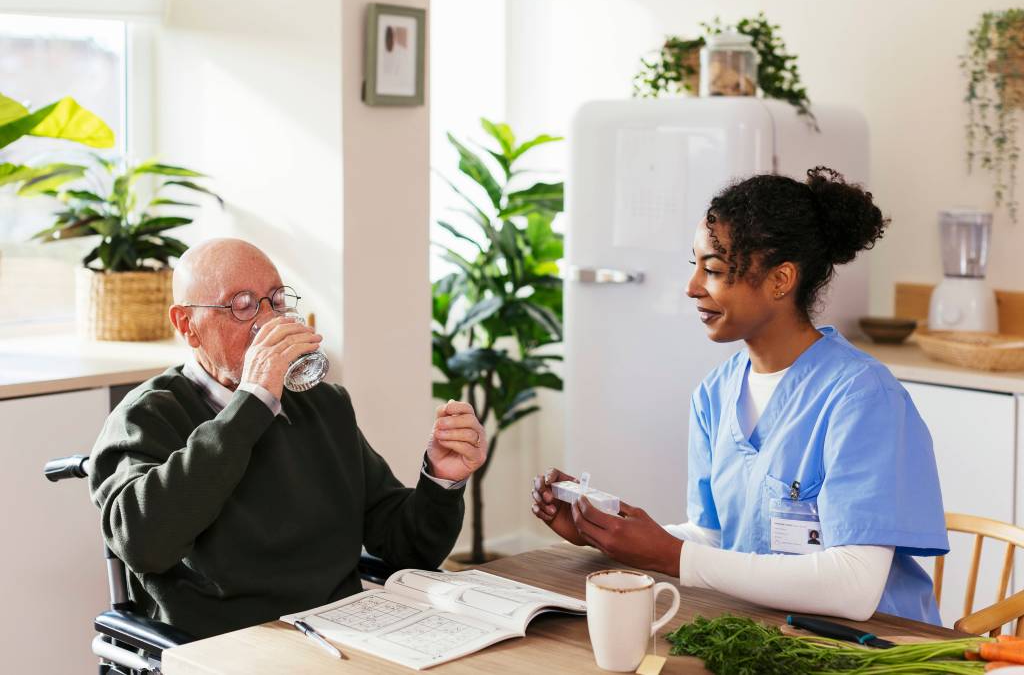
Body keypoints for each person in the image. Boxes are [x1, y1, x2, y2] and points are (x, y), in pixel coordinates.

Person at [532, 167, 948, 624]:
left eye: (713, 270)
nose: (692, 288)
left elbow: (853, 587)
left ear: (780, 280)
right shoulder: (715, 393)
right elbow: (716, 538)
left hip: (873, 645)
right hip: (771, 633)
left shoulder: (862, 397)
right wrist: (606, 531)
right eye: (694, 266)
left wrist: (671, 556)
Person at [89, 238, 487, 638]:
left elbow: (408, 550)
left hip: (344, 635)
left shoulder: (323, 404)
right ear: (186, 325)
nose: (269, 322)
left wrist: (440, 478)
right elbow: (144, 544)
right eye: (242, 305)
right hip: (229, 648)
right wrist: (252, 403)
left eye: (276, 301)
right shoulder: (147, 416)